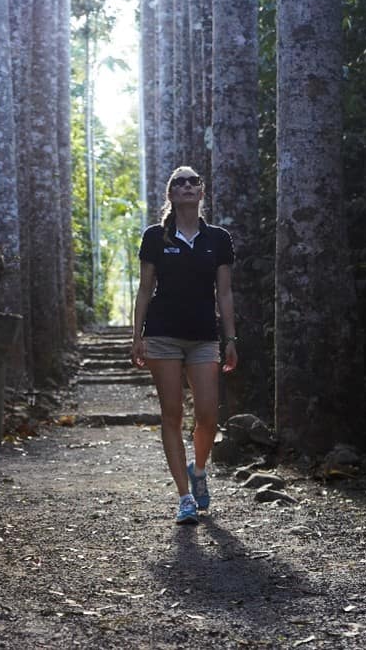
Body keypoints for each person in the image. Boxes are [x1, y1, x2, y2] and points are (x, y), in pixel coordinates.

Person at [131, 166, 238, 525]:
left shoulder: (219, 239)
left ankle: (199, 468)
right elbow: (145, 290)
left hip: (205, 336)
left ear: (201, 192)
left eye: (194, 181)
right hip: (162, 335)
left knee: (208, 415)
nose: (188, 185)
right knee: (172, 414)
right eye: (180, 182)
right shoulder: (154, 237)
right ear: (171, 194)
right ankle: (184, 497)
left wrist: (231, 338)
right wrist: (137, 336)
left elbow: (223, 292)